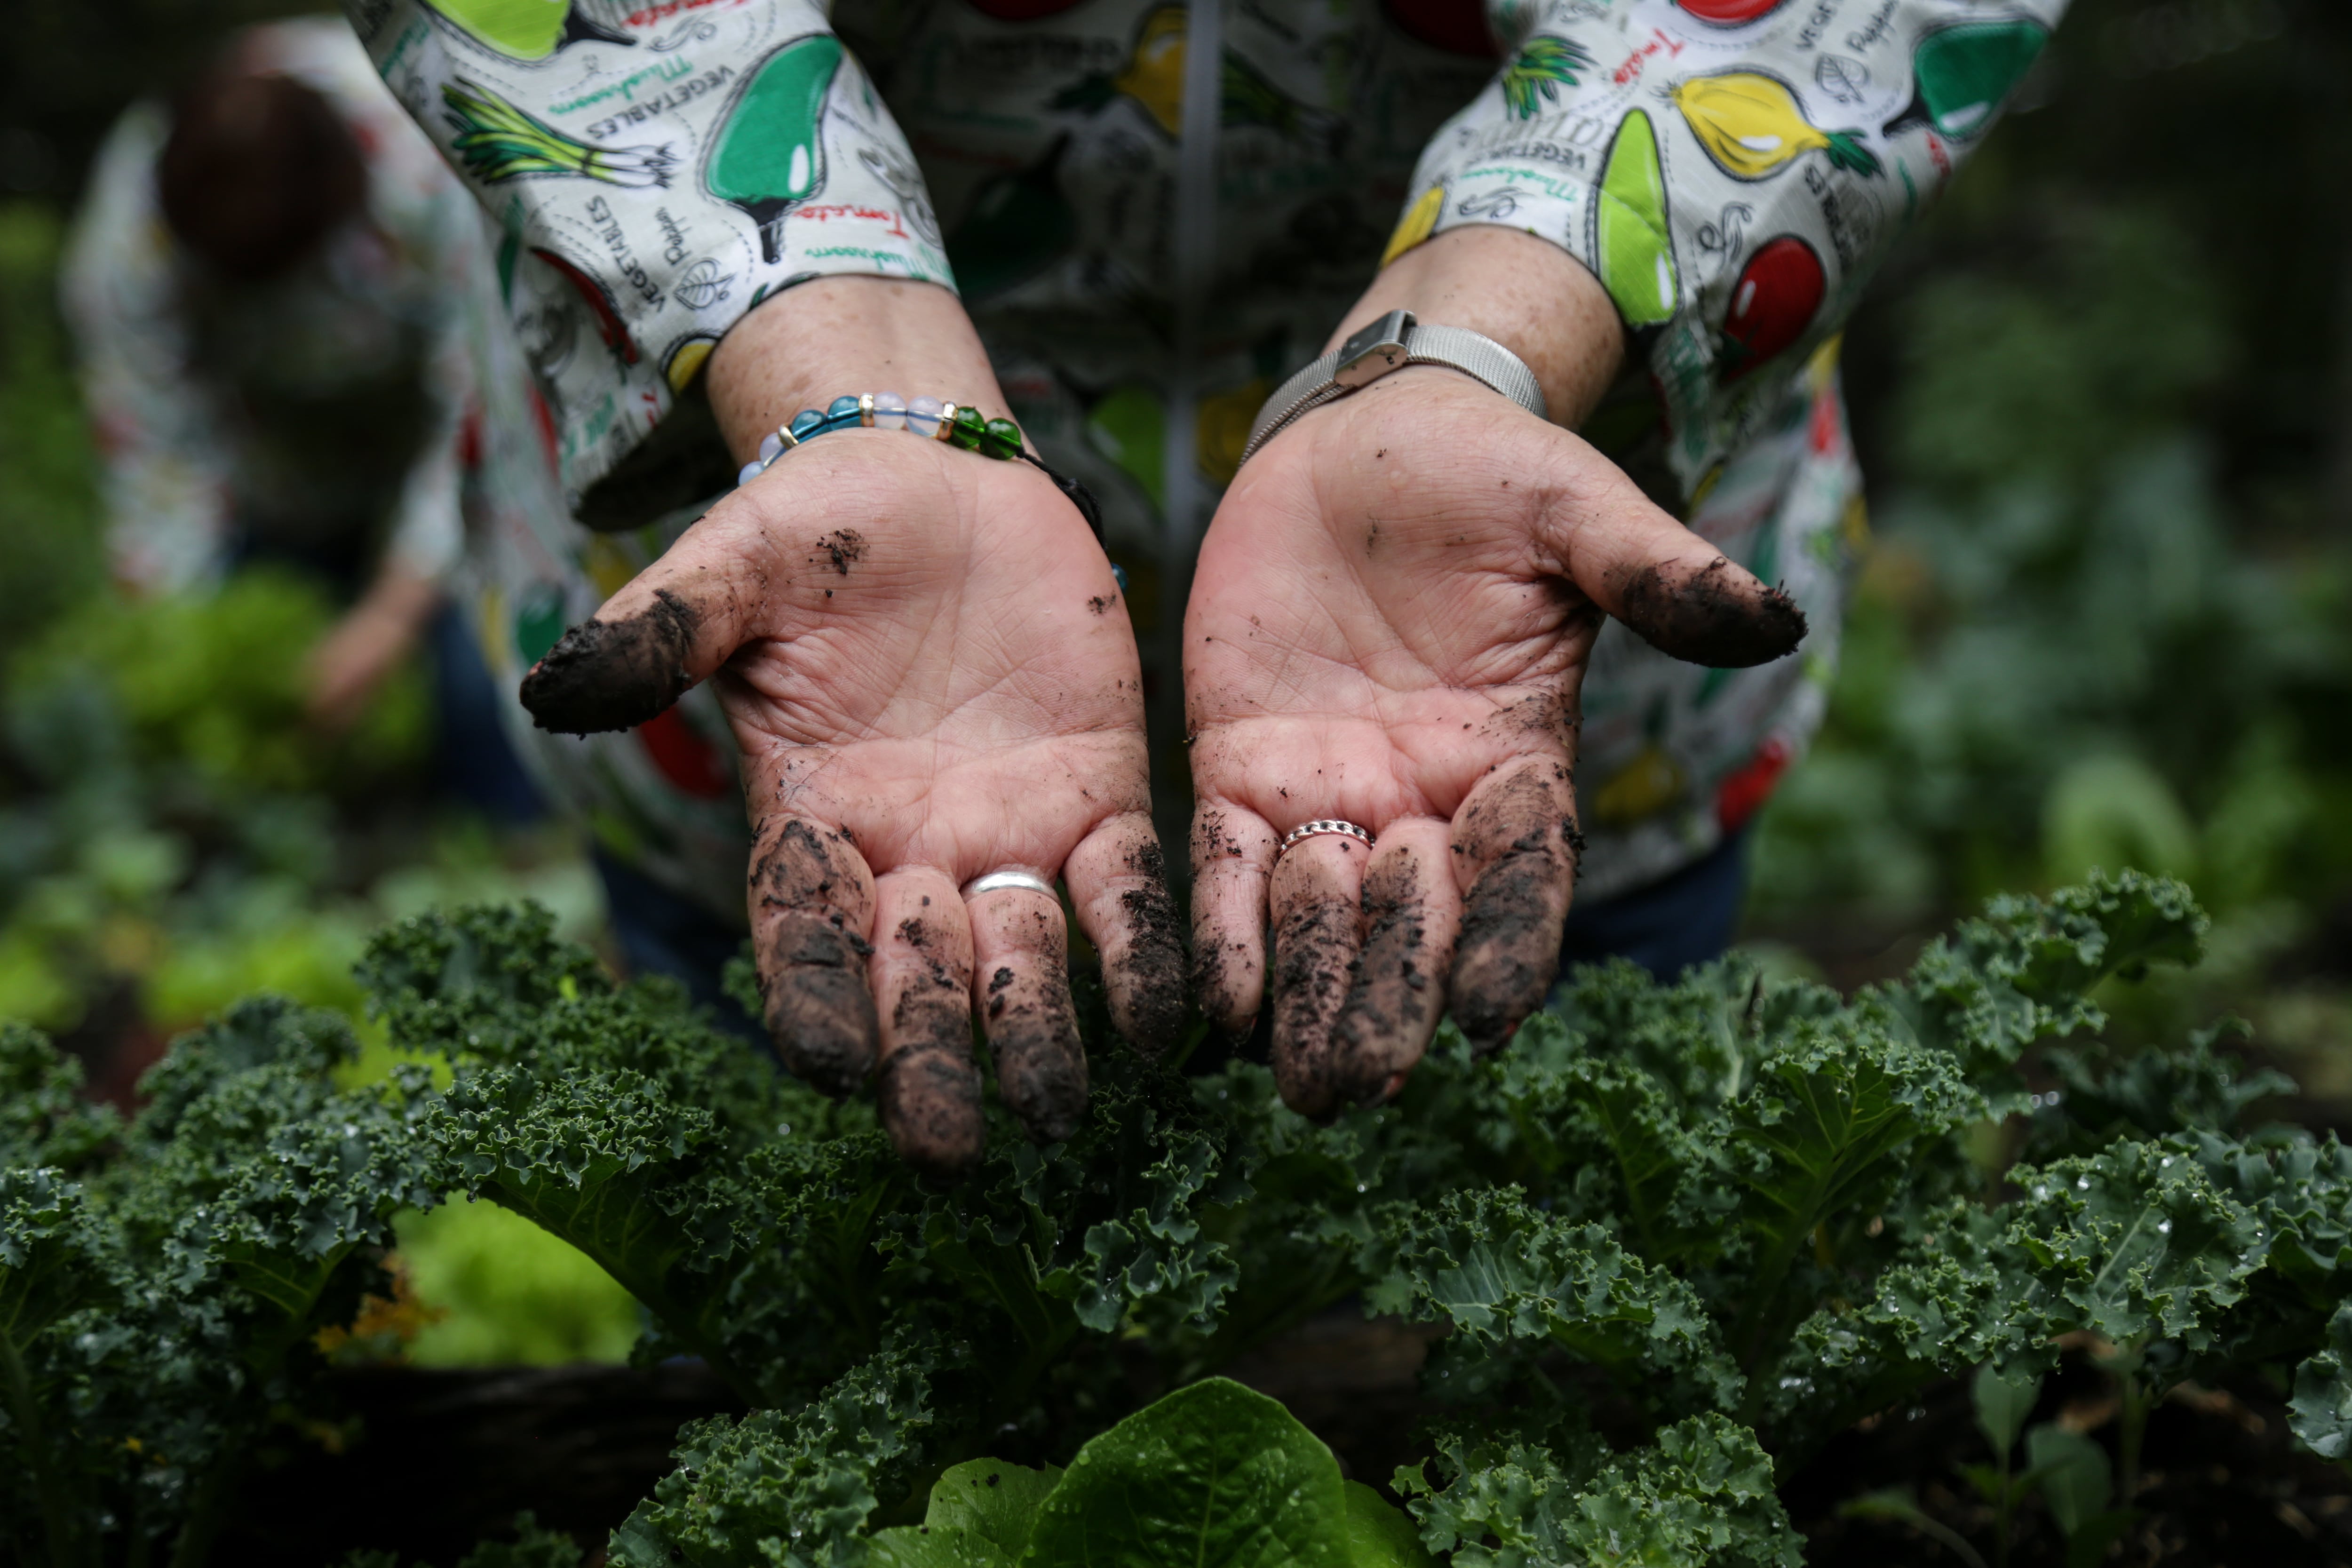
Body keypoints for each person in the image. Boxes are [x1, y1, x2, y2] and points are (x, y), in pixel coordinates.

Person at [345, 0, 2065, 1170]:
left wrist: (1488, 331)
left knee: (1523, 1362)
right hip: (812, 639)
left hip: (1524, 632)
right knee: (829, 1313)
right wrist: (829, 352)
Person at [62, 19, 537, 818]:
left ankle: (504, 842)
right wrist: (180, 647)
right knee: (280, 676)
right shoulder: (127, 243)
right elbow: (156, 454)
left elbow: (483, 405)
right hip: (278, 460)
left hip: (453, 443)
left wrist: (389, 617)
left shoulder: (439, 154)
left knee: (479, 679)